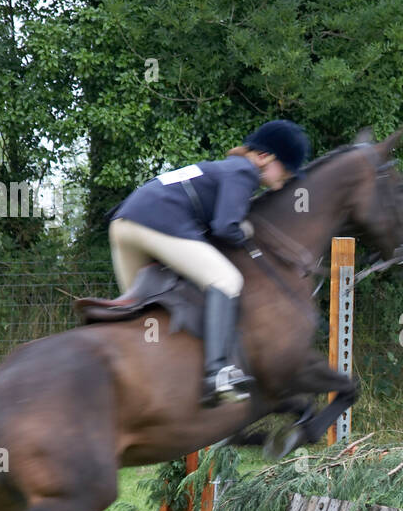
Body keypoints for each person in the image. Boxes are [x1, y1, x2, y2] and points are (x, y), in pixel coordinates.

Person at [106, 120, 311, 407]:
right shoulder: (243, 171)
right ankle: (218, 374)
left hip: (124, 224)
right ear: (264, 157)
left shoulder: (223, 168)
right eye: (286, 169)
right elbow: (225, 228)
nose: (287, 177)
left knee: (142, 314)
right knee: (226, 281)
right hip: (155, 222)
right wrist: (245, 232)